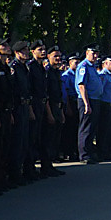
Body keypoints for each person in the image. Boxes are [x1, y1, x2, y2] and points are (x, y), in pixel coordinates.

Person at [0, 38, 15, 190]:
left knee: (6, 145)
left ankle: (2, 178)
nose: (7, 47)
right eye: (3, 46)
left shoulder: (5, 67)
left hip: (7, 111)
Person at [9, 41, 34, 184]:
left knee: (25, 140)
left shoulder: (24, 67)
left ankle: (23, 171)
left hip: (25, 106)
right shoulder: (14, 67)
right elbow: (12, 91)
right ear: (17, 53)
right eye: (23, 50)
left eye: (27, 50)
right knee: (17, 141)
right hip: (17, 107)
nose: (27, 52)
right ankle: (14, 174)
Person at [76, 43, 103, 164]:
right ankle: (84, 154)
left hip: (95, 99)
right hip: (86, 100)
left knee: (92, 128)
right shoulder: (83, 66)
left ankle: (90, 152)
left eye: (97, 53)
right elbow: (81, 86)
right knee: (85, 128)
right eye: (93, 53)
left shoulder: (92, 66)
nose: (96, 55)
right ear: (87, 53)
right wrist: (86, 103)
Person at [25, 40, 48, 180]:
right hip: (33, 105)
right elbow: (29, 90)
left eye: (44, 49)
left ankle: (40, 167)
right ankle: (29, 168)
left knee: (41, 136)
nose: (43, 51)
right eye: (40, 49)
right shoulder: (30, 67)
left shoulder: (41, 68)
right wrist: (31, 109)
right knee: (31, 138)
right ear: (33, 51)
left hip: (42, 104)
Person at [42, 46, 66, 175]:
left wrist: (61, 112)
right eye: (55, 56)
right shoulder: (47, 72)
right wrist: (50, 113)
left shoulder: (57, 72)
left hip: (57, 107)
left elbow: (59, 95)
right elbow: (46, 94)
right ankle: (45, 165)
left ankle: (50, 163)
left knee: (55, 137)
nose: (58, 59)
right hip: (49, 107)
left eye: (59, 56)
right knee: (48, 137)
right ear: (49, 57)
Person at [97, 55, 111, 161]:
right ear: (105, 64)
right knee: (104, 130)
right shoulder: (103, 75)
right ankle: (102, 152)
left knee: (110, 129)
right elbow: (100, 91)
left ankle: (108, 150)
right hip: (106, 105)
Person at [61, 54, 80, 161]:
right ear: (70, 63)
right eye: (75, 62)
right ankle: (68, 152)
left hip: (78, 102)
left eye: (78, 62)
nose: (77, 64)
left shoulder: (78, 74)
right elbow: (67, 93)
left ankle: (75, 150)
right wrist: (68, 107)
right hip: (71, 102)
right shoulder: (66, 75)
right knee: (70, 129)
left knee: (76, 128)